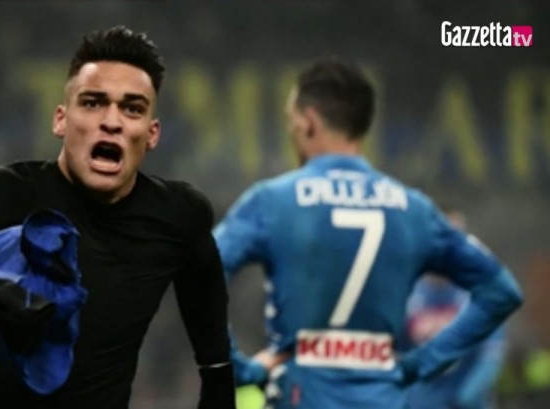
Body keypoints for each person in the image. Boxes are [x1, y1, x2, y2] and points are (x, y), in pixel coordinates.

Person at [0, 25, 236, 409]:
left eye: (132, 108)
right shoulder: (2, 194)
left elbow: (205, 300)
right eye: (93, 103)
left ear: (152, 134)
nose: (112, 121)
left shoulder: (178, 215)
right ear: (60, 120)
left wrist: (217, 379)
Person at [212, 57, 523, 409]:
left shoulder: (272, 201)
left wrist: (239, 367)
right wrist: (419, 365)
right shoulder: (413, 209)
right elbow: (500, 291)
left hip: (303, 393)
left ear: (309, 121)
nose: (291, 132)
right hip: (383, 396)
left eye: (290, 121)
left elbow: (200, 273)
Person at [406, 210, 507, 409]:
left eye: (456, 238)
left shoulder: (480, 292)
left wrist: (466, 397)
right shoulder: (407, 292)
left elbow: (491, 356)